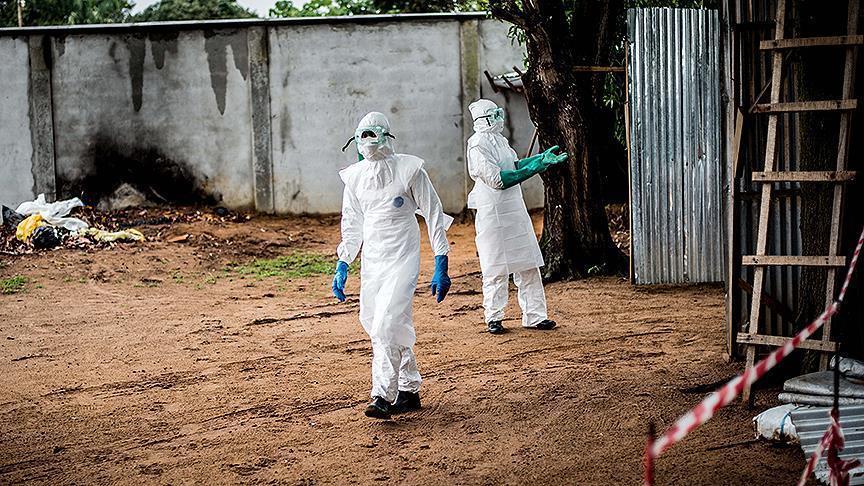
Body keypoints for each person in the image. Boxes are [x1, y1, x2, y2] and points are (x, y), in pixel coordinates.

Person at [332, 111, 452, 419]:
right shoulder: (355, 178)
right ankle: (409, 390)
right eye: (363, 136)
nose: (368, 141)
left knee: (386, 324)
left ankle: (381, 395)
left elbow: (434, 214)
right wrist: (344, 261)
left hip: (403, 257)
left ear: (387, 135)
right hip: (373, 261)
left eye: (373, 134)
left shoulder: (410, 170)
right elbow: (352, 224)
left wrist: (441, 261)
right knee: (379, 323)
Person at [465, 99, 567, 335]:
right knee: (495, 267)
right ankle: (494, 317)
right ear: (484, 119)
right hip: (493, 213)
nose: (500, 118)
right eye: (494, 114)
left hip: (514, 210)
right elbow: (498, 180)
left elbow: (515, 165)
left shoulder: (500, 141)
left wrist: (540, 160)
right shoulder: (477, 145)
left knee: (528, 264)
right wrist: (534, 169)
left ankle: (535, 315)